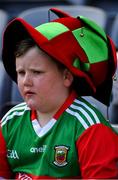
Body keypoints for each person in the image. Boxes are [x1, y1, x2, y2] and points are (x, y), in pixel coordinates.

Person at [0, 8, 118, 179]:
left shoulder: (90, 127)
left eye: (37, 72)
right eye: (21, 72)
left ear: (67, 77)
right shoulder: (11, 121)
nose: (26, 81)